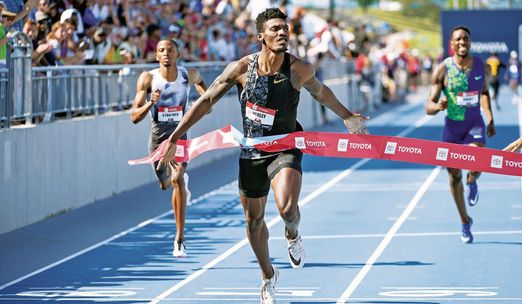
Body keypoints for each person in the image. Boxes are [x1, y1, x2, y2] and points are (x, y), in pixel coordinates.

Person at [157, 8, 369, 304]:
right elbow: (206, 101)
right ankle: (268, 276)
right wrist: (175, 136)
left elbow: (321, 93)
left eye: (285, 28)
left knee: (286, 208)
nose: (282, 33)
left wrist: (347, 117)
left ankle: (292, 233)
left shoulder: (298, 69)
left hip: (285, 146)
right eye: (275, 29)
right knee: (253, 221)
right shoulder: (242, 68)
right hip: (252, 150)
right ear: (261, 37)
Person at [131, 39, 206, 258]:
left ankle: (180, 239)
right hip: (157, 141)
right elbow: (134, 117)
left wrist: (203, 104)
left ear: (178, 53)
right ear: (156, 56)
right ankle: (171, 182)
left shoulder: (188, 74)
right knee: (165, 183)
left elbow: (205, 88)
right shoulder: (148, 78)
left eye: (170, 50)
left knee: (177, 179)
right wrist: (149, 103)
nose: (166, 54)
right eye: (161, 51)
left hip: (179, 137)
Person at [425, 25, 495, 244]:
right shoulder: (443, 69)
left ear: (470, 41)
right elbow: (428, 106)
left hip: (474, 123)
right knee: (453, 177)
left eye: (466, 38)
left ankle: (472, 180)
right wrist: (438, 107)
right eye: (458, 39)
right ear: (452, 44)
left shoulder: (481, 66)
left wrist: (490, 117)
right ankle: (465, 222)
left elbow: (484, 93)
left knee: (477, 160)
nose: (462, 42)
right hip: (453, 128)